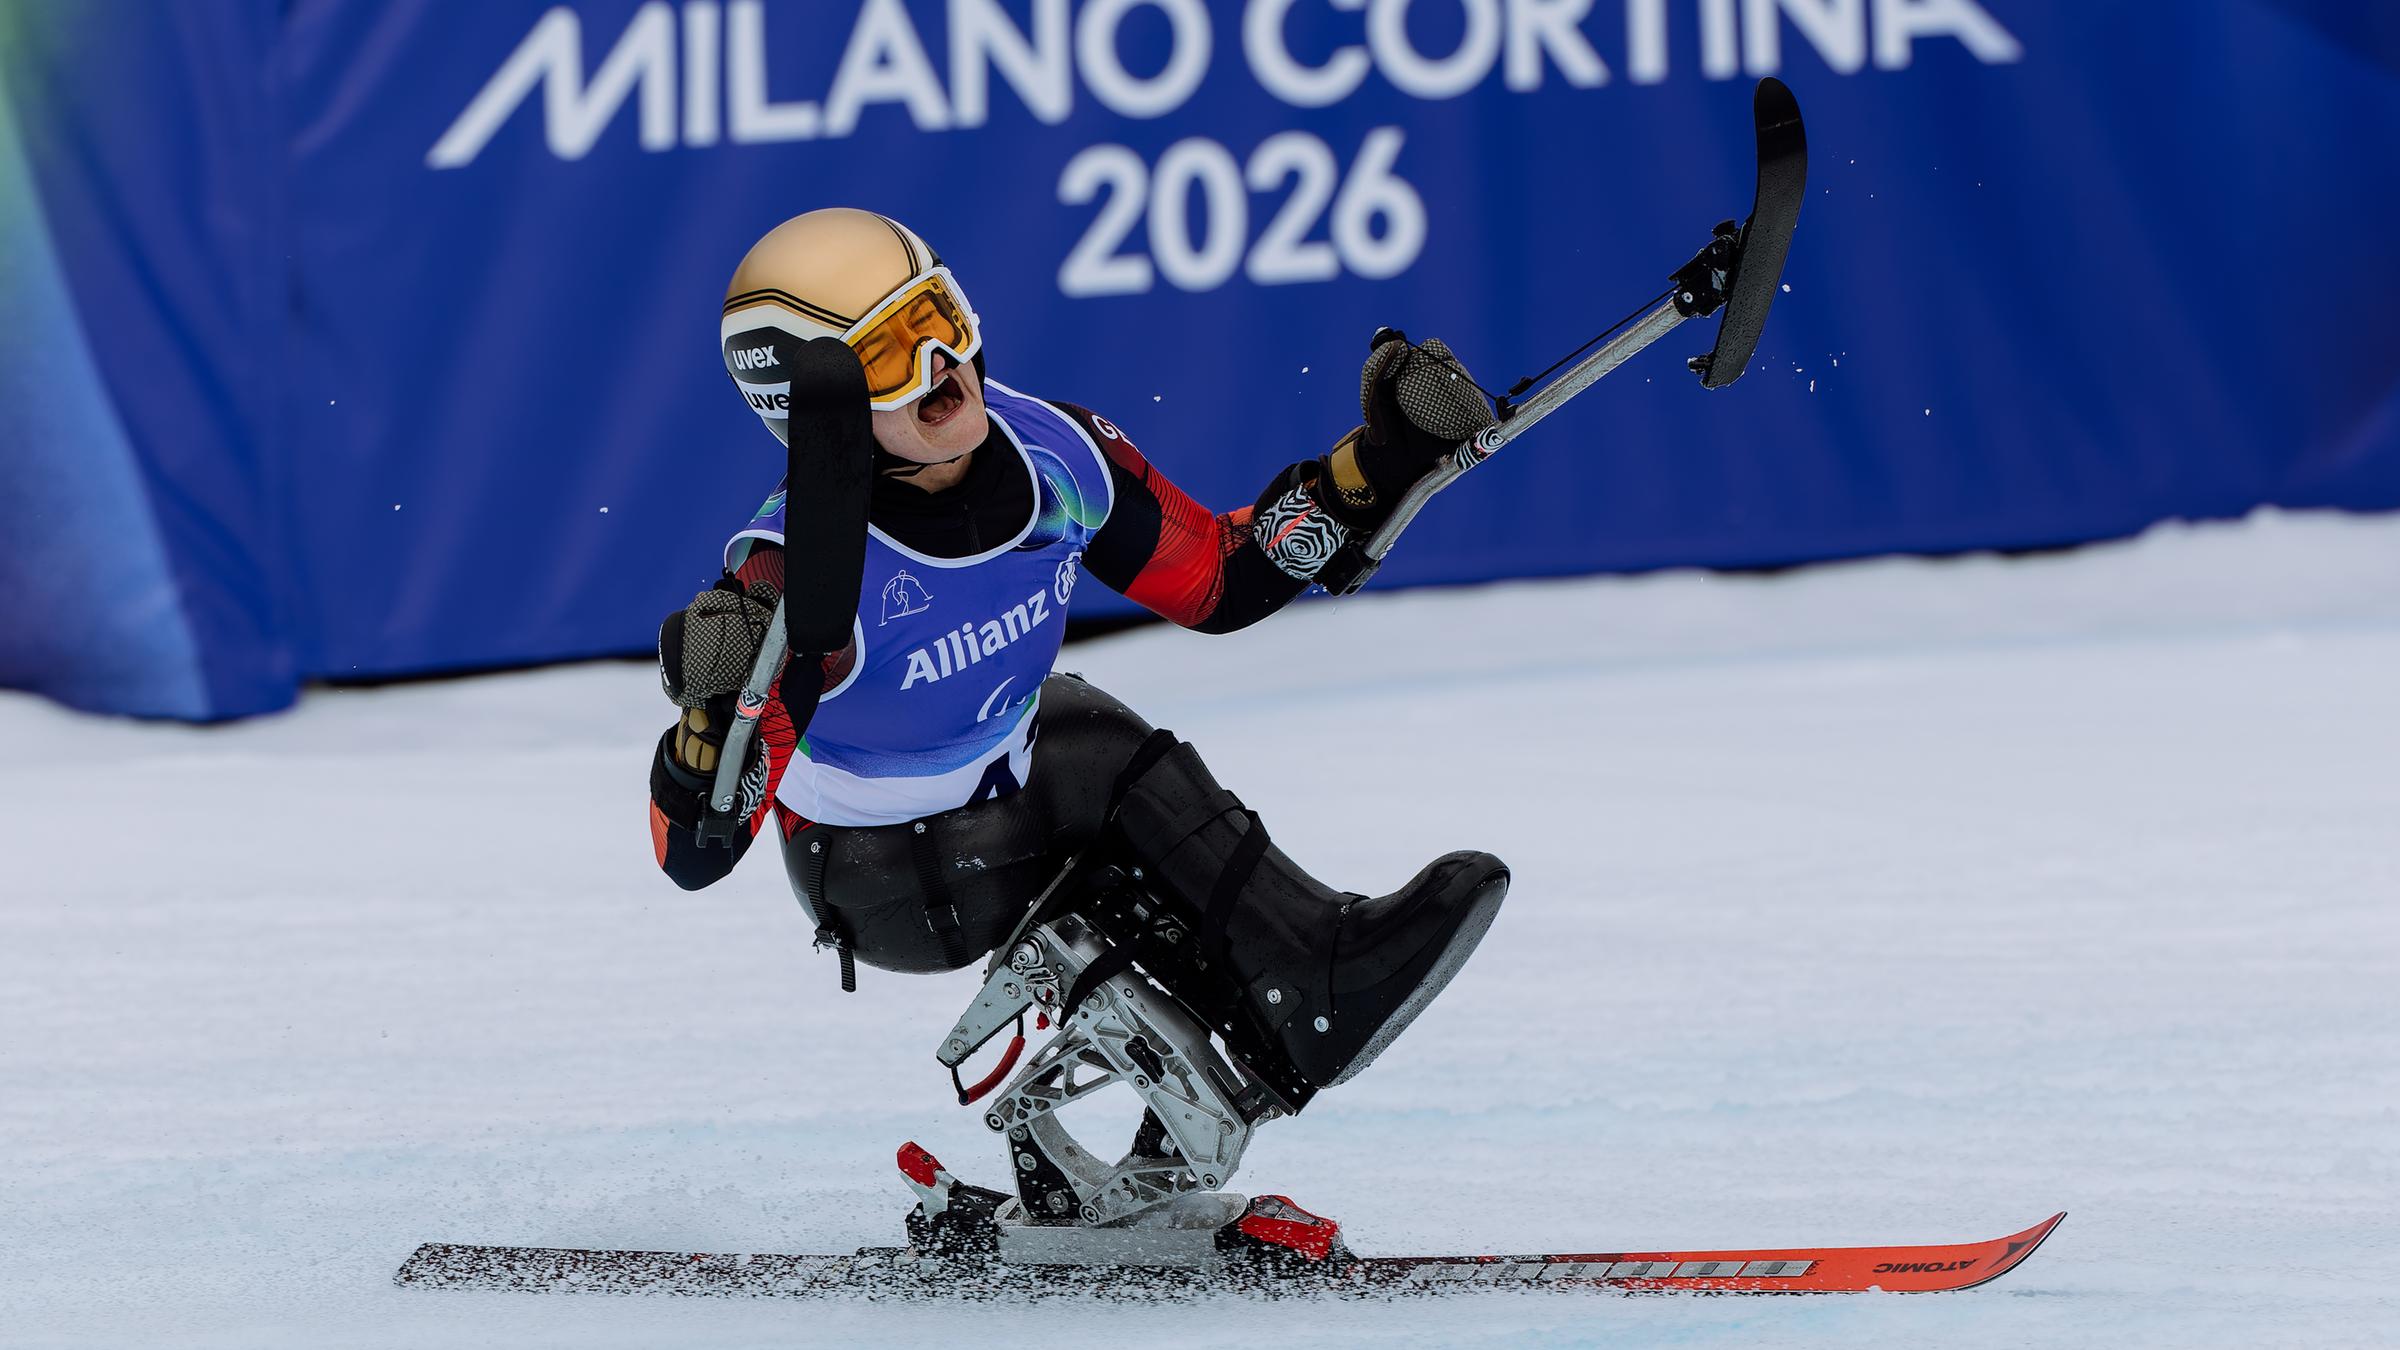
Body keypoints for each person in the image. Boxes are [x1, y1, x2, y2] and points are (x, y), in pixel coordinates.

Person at [646, 207, 1508, 1105]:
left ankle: (1271, 1033)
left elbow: (1219, 581)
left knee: (1082, 729)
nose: (941, 368)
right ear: (812, 405)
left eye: (937, 322)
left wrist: (1374, 464)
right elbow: (693, 855)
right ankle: (1315, 982)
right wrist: (707, 726)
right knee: (1091, 740)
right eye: (889, 356)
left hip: (1013, 797)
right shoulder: (795, 576)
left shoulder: (1056, 453)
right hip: (883, 884)